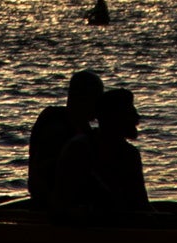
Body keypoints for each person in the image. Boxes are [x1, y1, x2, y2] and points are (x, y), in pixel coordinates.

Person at [53, 85, 148, 221]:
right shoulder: (80, 149)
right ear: (113, 118)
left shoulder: (130, 154)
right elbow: (61, 206)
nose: (136, 117)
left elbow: (141, 204)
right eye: (129, 112)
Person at [28, 70, 106, 206]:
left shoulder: (84, 129)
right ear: (82, 97)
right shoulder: (56, 127)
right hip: (55, 207)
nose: (100, 105)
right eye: (97, 97)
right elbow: (43, 176)